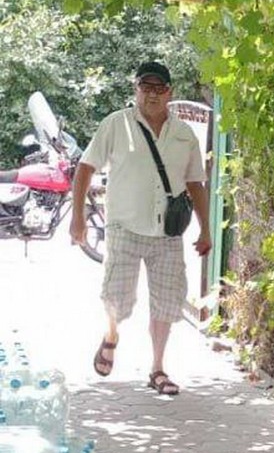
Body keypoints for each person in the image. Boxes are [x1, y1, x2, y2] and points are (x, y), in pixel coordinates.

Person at [70, 60, 212, 396]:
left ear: (169, 92)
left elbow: (195, 184)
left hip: (167, 233)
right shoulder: (116, 125)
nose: (151, 94)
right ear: (136, 89)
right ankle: (111, 334)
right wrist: (77, 218)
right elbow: (85, 168)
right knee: (117, 298)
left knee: (166, 302)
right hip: (124, 226)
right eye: (144, 87)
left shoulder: (184, 134)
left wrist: (205, 229)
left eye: (158, 88)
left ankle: (158, 368)